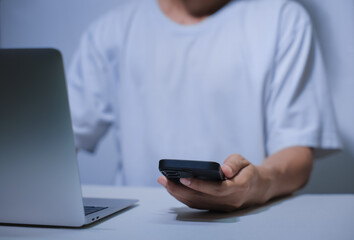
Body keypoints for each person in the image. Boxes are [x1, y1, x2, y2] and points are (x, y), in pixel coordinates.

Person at [68, 0, 341, 211]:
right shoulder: (110, 31)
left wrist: (255, 184)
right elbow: (57, 136)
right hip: (135, 223)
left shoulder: (282, 18)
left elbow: (296, 153)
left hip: (246, 223)